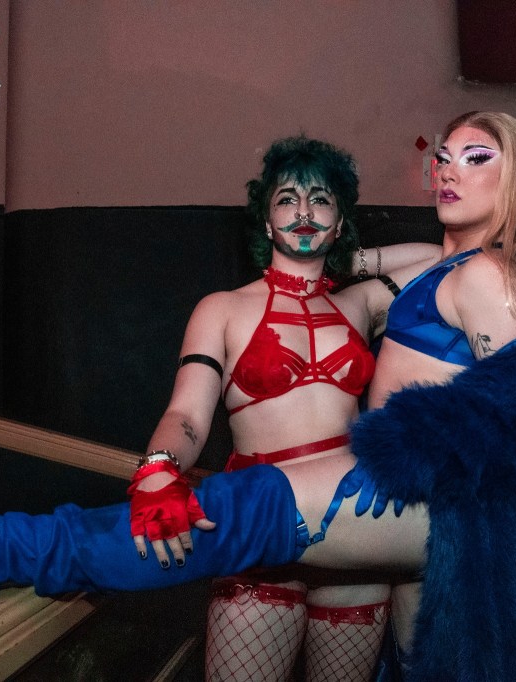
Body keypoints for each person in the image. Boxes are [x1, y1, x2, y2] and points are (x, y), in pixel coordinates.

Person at [0, 112, 516, 681]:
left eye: (477, 157)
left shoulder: (466, 279)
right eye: (442, 156)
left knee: (235, 515)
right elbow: (198, 401)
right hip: (367, 500)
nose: (448, 170)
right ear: (265, 213)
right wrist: (158, 469)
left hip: (395, 490)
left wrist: (411, 444)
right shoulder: (428, 270)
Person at [131, 135, 437, 682]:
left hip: (354, 529)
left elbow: (439, 260)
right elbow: (187, 416)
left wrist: (345, 258)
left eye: (320, 200)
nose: (303, 213)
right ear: (266, 222)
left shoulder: (360, 302)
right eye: (287, 200)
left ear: (340, 221)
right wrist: (158, 470)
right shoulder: (222, 309)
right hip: (261, 530)